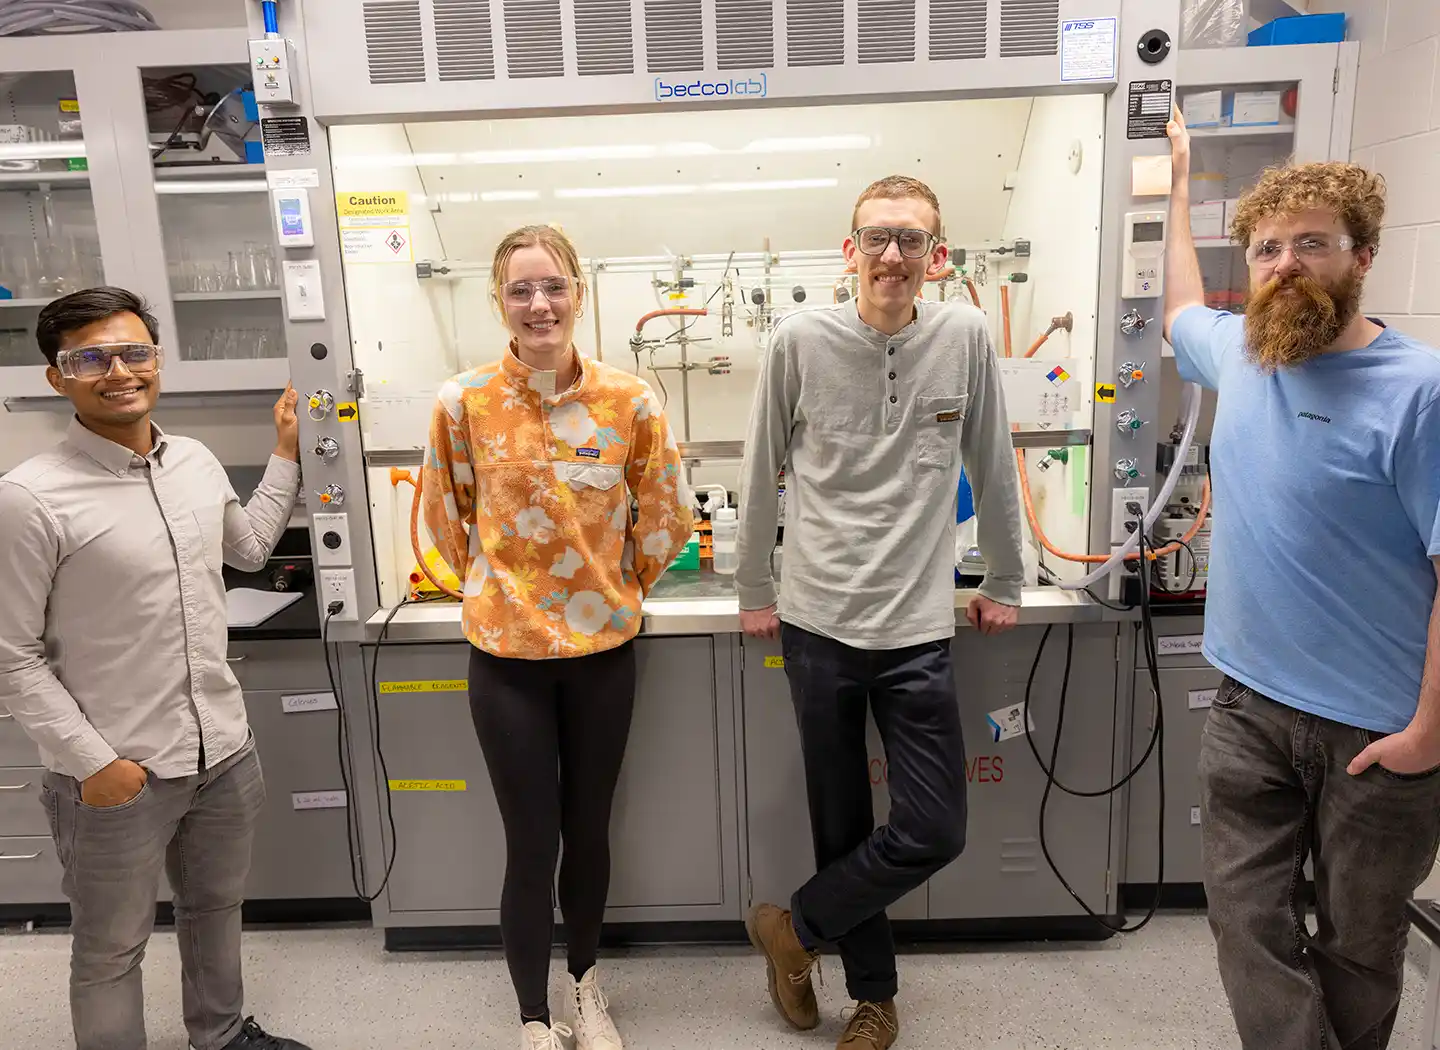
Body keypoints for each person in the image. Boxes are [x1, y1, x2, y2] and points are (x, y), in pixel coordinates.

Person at [1164, 108, 1440, 1048]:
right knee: (1247, 925)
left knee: (1359, 945)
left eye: (1311, 244)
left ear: (1361, 256)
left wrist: (1428, 732)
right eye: (1268, 247)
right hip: (1247, 709)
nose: (1284, 264)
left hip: (1378, 729)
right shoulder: (1243, 351)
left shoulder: (1420, 391)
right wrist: (1175, 179)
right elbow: (1174, 311)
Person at [734, 175, 1026, 1050]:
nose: (891, 255)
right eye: (875, 238)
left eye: (910, 240)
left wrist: (1004, 578)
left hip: (916, 630)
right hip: (818, 621)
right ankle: (874, 1000)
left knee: (934, 827)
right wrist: (755, 587)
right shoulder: (799, 340)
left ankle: (793, 931)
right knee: (840, 822)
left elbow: (995, 459)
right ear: (849, 249)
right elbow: (758, 469)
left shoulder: (965, 336)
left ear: (937, 255)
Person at [0, 287, 309, 1050]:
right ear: (57, 377)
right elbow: (11, 654)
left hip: (223, 751)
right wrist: (93, 764)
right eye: (90, 358)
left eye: (133, 351)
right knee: (111, 948)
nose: (118, 371)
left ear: (156, 360)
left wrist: (287, 455)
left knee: (214, 910)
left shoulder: (195, 463)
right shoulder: (30, 498)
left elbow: (249, 550)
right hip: (117, 770)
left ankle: (223, 1034)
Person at [422, 224, 693, 1050]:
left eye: (554, 287)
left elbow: (667, 512)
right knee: (530, 842)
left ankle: (586, 989)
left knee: (590, 828)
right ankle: (534, 1018)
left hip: (602, 658)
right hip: (506, 663)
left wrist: (616, 590)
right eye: (520, 290)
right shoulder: (461, 403)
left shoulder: (630, 401)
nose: (540, 305)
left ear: (580, 292)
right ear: (499, 301)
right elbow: (440, 527)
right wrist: (503, 595)